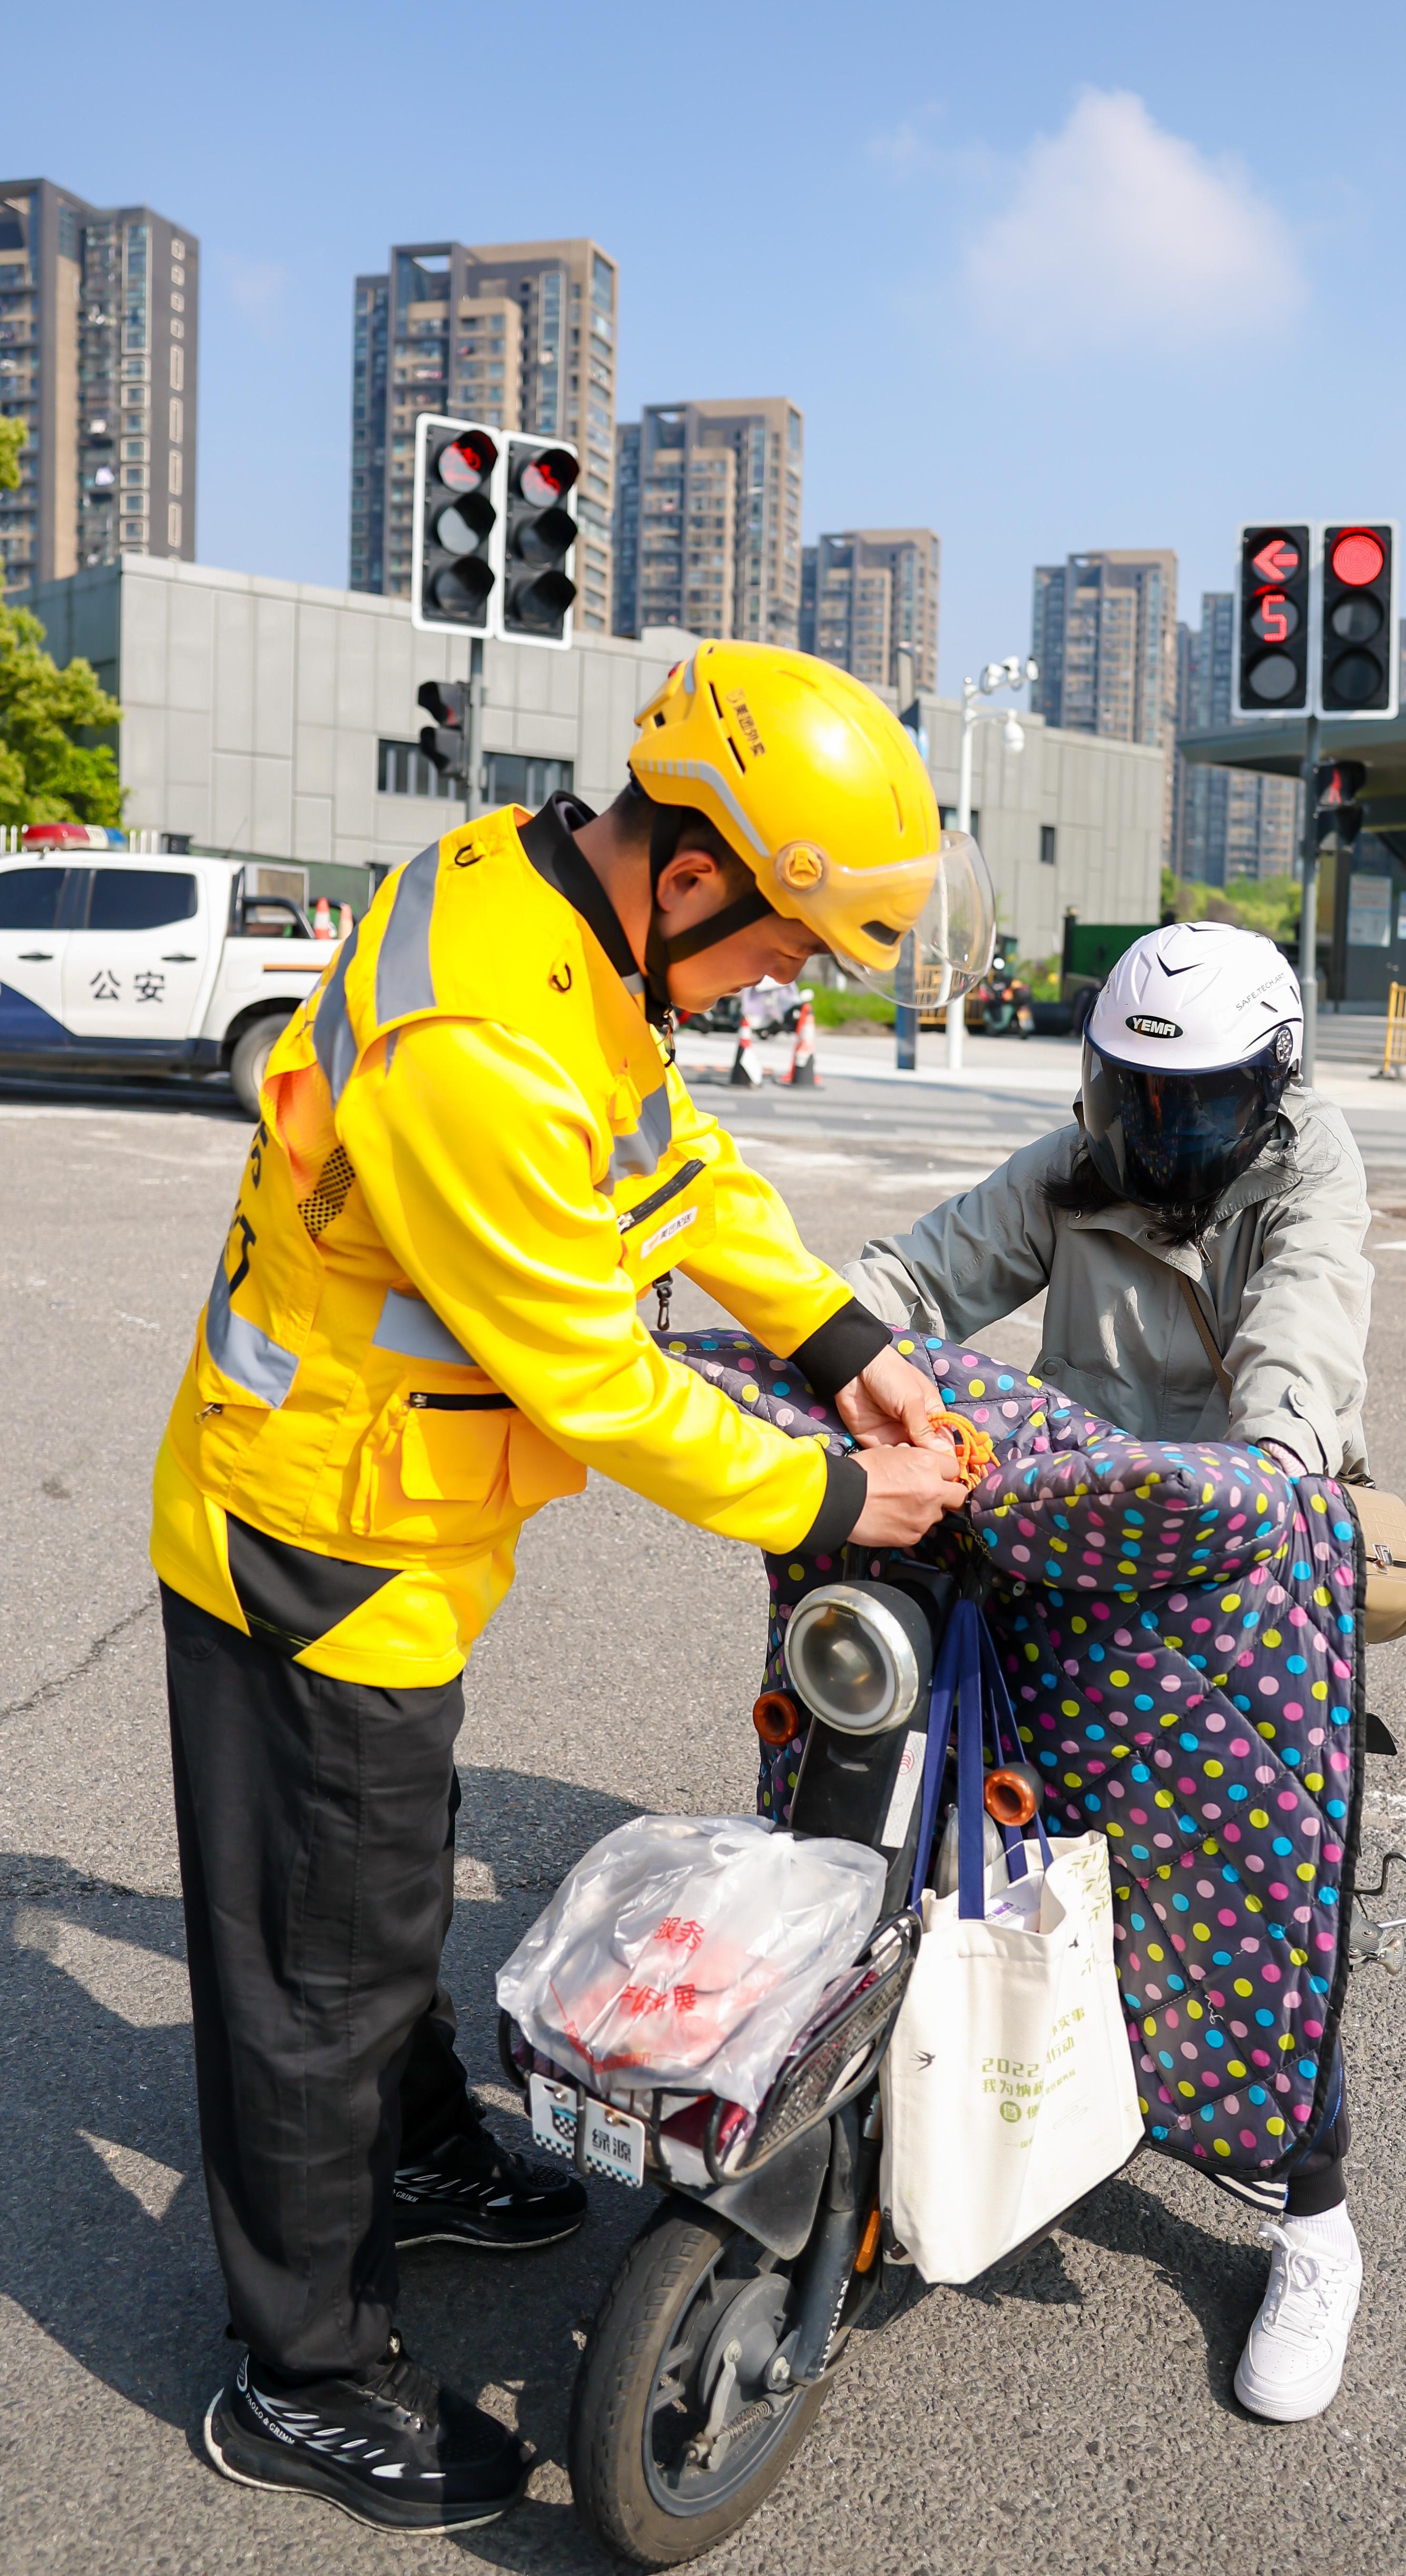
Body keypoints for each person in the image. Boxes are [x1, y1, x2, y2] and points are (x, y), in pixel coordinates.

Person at [152, 642, 996, 2532]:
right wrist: (839, 1491)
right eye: (785, 950)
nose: (781, 984)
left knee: (374, 1877)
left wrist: (843, 1329)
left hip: (393, 1527)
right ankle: (300, 2376)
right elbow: (600, 1382)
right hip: (312, 1537)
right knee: (319, 1964)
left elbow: (673, 1169)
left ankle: (422, 2144)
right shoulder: (484, 1049)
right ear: (693, 875)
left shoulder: (557, 918)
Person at [841, 921, 1373, 2425]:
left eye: (1196, 1105)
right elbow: (921, 1270)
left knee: (1247, 1886)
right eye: (1135, 1098)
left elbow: (1305, 1326)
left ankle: (1315, 2228)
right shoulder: (1085, 1158)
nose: (1160, 1134)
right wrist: (806, 1338)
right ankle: (935, 2108)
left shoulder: (1305, 1172)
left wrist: (1268, 1472)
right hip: (1068, 1529)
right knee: (973, 1820)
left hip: (1236, 1544)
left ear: (1268, 1092)